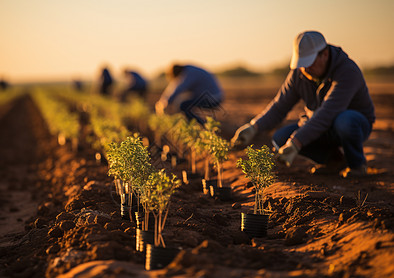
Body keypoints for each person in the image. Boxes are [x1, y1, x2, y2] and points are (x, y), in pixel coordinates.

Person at [231, 31, 375, 177]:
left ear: (324, 54)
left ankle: (357, 165)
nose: (305, 68)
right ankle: (334, 161)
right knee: (280, 138)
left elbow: (328, 113)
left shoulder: (347, 71)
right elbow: (280, 106)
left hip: (353, 125)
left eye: (309, 62)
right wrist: (254, 126)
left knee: (345, 120)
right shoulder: (299, 73)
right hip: (319, 125)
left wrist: (296, 143)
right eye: (301, 63)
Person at [155, 64, 223, 125]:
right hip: (212, 96)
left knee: (184, 105)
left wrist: (166, 102)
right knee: (186, 104)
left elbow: (179, 87)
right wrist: (163, 100)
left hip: (214, 98)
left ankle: (202, 125)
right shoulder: (188, 70)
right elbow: (173, 86)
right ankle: (196, 124)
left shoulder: (189, 73)